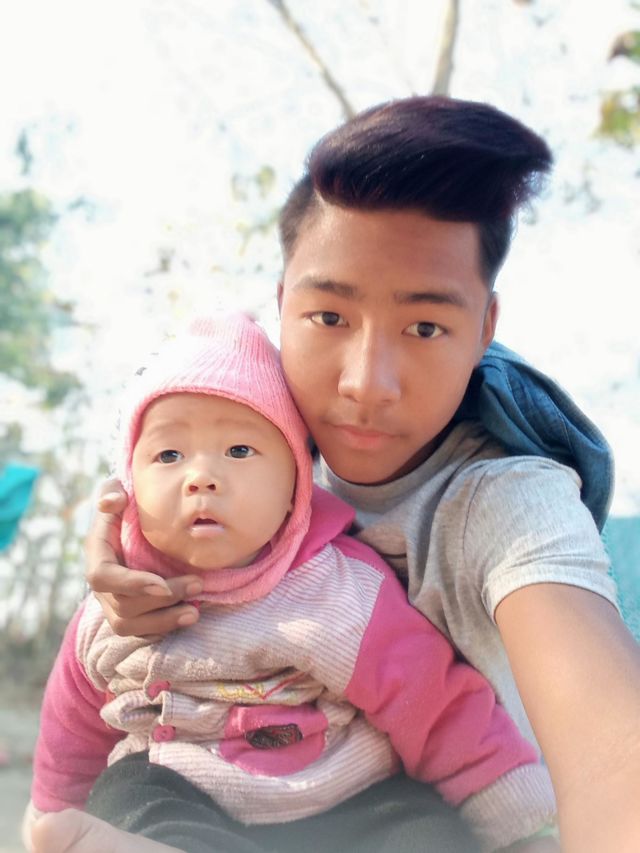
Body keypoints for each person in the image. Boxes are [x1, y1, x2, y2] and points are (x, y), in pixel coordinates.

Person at [34, 96, 640, 853]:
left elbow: (615, 752)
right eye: (329, 318)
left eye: (425, 327)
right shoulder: (253, 436)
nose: (366, 383)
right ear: (283, 305)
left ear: (484, 327)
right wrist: (126, 534)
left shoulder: (509, 502)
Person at [24, 313, 558, 853]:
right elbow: (72, 727)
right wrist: (51, 812)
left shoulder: (338, 589)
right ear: (128, 485)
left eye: (239, 451)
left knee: (423, 827)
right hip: (182, 793)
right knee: (127, 792)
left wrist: (518, 823)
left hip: (345, 797)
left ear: (295, 487)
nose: (201, 477)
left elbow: (433, 706)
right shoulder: (119, 604)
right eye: (168, 455)